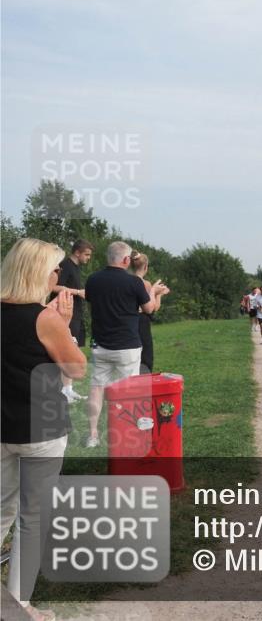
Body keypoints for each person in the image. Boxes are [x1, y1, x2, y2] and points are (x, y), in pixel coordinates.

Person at [1, 238, 87, 621]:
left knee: (1, 509)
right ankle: (19, 605)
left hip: (2, 426)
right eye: (55, 269)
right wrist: (65, 328)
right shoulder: (45, 318)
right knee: (32, 519)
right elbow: (76, 369)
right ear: (38, 272)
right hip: (41, 427)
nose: (58, 275)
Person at [84, 241, 167, 448]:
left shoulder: (93, 280)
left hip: (100, 344)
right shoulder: (134, 283)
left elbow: (91, 301)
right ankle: (125, 432)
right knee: (129, 390)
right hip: (127, 345)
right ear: (126, 260)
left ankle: (93, 435)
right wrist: (154, 292)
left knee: (96, 388)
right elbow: (148, 310)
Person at [53, 238, 93, 402]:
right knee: (67, 350)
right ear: (77, 252)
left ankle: (68, 389)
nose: (88, 258)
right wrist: (77, 292)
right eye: (87, 254)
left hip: (74, 313)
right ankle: (63, 390)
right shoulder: (65, 265)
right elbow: (54, 287)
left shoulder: (75, 267)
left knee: (73, 348)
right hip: (64, 314)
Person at [129, 251, 170, 374]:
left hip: (129, 321)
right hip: (141, 321)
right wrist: (159, 294)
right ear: (146, 267)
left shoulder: (128, 280)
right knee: (145, 354)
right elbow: (152, 308)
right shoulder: (145, 284)